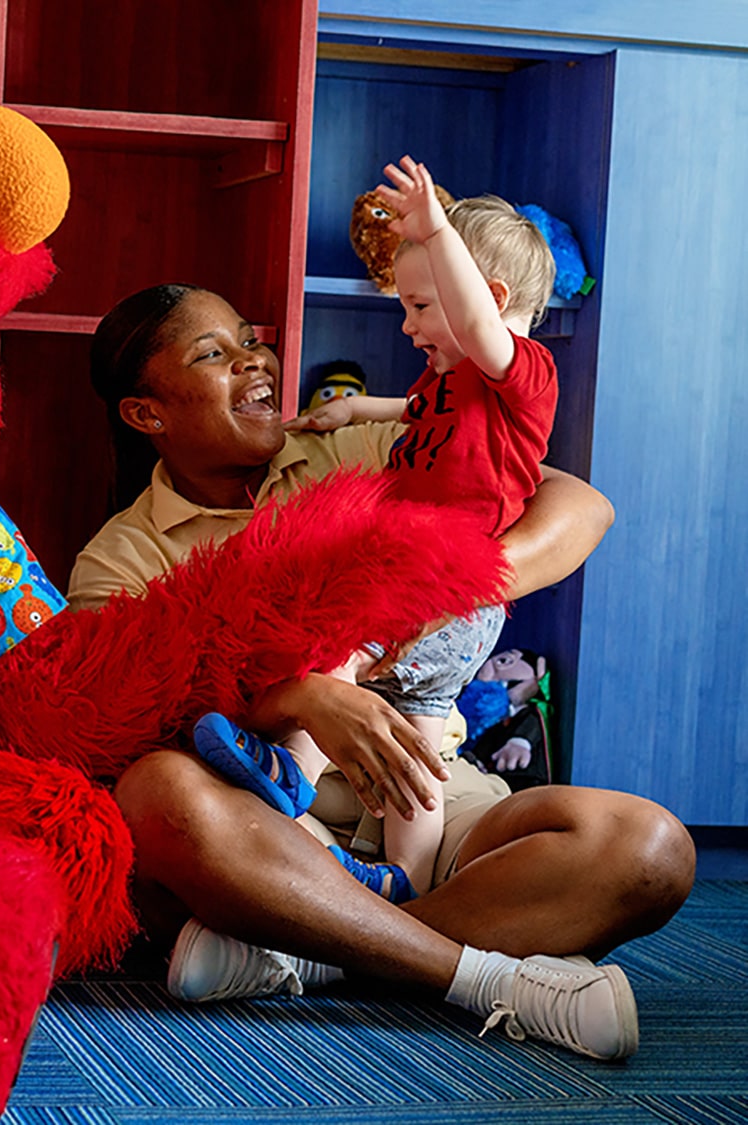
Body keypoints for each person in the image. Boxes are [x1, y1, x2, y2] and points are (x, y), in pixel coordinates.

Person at [69, 281, 695, 1062]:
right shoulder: (119, 559)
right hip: (271, 819)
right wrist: (304, 697)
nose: (254, 361)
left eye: (247, 338)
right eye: (213, 354)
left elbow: (578, 504)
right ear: (145, 412)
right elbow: (136, 719)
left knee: (648, 849)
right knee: (156, 793)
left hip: (426, 784)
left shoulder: (347, 447)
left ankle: (314, 951)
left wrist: (454, 578)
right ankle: (484, 977)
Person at [193, 158, 562, 903]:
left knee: (326, 650)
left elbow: (483, 332)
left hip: (439, 585)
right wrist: (354, 411)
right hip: (452, 598)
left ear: (484, 301)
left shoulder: (520, 370)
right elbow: (416, 409)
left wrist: (433, 227)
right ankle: (410, 896)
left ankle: (287, 772)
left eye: (422, 305)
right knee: (415, 756)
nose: (408, 323)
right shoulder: (452, 384)